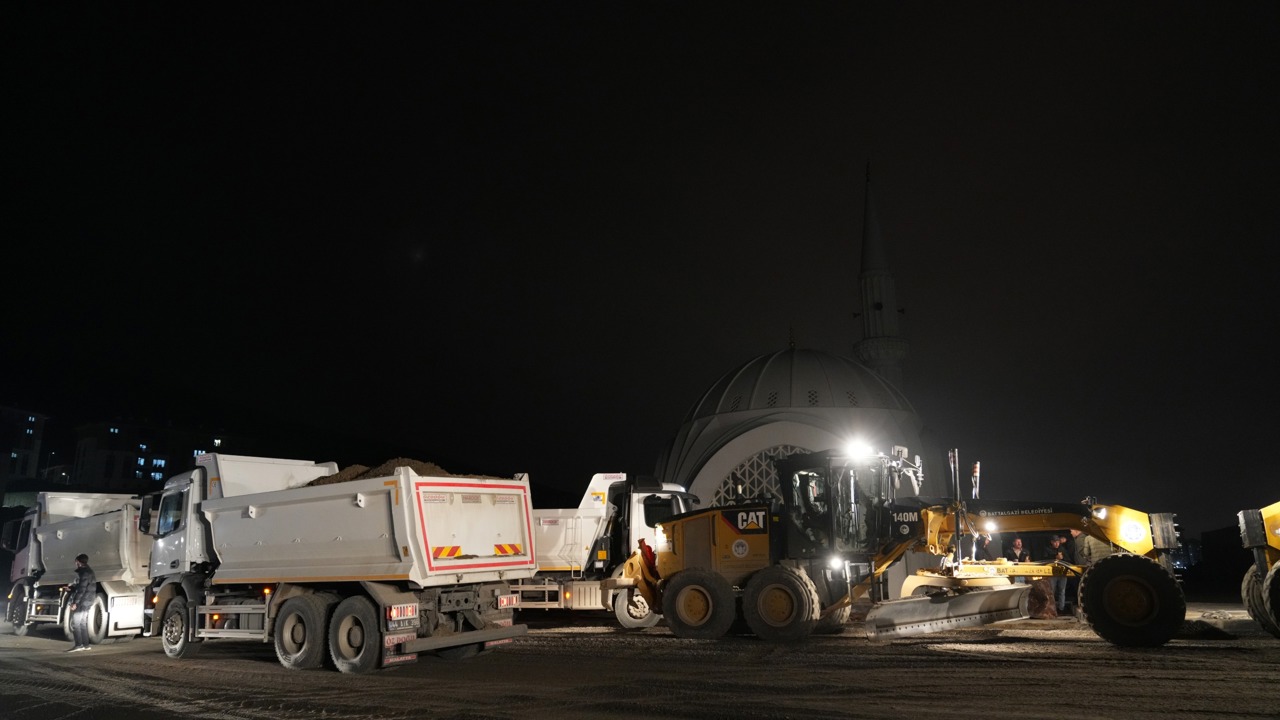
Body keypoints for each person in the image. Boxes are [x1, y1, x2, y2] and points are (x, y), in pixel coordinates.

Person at [66, 553, 96, 652]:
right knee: (83, 623)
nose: (75, 563)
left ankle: (78, 645)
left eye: (76, 562)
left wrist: (75, 603)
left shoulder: (84, 573)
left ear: (78, 562)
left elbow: (82, 589)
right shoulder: (90, 572)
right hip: (88, 600)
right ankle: (86, 645)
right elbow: (82, 587)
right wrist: (71, 588)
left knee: (76, 623)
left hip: (83, 601)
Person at [1040, 534, 1069, 613]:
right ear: (1052, 542)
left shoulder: (1062, 549)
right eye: (1055, 542)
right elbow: (1044, 560)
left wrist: (1063, 558)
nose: (1057, 544)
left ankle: (1061, 608)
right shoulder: (1047, 549)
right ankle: (1051, 608)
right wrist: (1055, 557)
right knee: (1052, 591)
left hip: (1062, 573)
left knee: (1062, 591)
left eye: (1058, 542)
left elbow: (1068, 559)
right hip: (1052, 573)